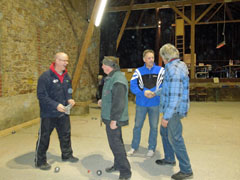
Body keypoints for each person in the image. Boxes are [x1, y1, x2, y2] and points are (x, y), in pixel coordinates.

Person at [155, 44, 193, 180]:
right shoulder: (174, 66)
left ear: (165, 57)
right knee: (164, 132)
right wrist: (154, 93)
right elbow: (167, 88)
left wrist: (166, 117)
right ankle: (170, 158)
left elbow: (175, 97)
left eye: (161, 57)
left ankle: (186, 169)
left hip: (174, 111)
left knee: (175, 138)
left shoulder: (174, 70)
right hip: (170, 109)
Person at [35, 52, 79, 170]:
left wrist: (70, 98)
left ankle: (67, 155)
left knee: (65, 134)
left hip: (63, 112)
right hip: (48, 113)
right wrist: (55, 105)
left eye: (67, 61)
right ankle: (40, 161)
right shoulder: (45, 77)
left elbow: (69, 90)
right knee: (44, 137)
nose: (66, 63)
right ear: (57, 61)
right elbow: (41, 96)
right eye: (64, 61)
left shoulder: (66, 76)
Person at [98, 56, 131, 180]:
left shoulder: (118, 79)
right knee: (117, 142)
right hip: (111, 116)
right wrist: (104, 101)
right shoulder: (112, 77)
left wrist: (114, 120)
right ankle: (118, 165)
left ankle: (125, 171)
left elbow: (119, 102)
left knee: (116, 145)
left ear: (110, 65)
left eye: (103, 65)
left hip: (114, 118)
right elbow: (111, 95)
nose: (102, 67)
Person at [127, 49, 164, 157]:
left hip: (155, 104)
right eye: (149, 58)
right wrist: (144, 92)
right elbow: (133, 86)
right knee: (137, 126)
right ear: (144, 59)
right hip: (141, 104)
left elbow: (164, 85)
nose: (151, 60)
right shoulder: (138, 72)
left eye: (152, 57)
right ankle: (134, 147)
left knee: (154, 127)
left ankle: (151, 148)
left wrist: (155, 93)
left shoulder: (161, 71)